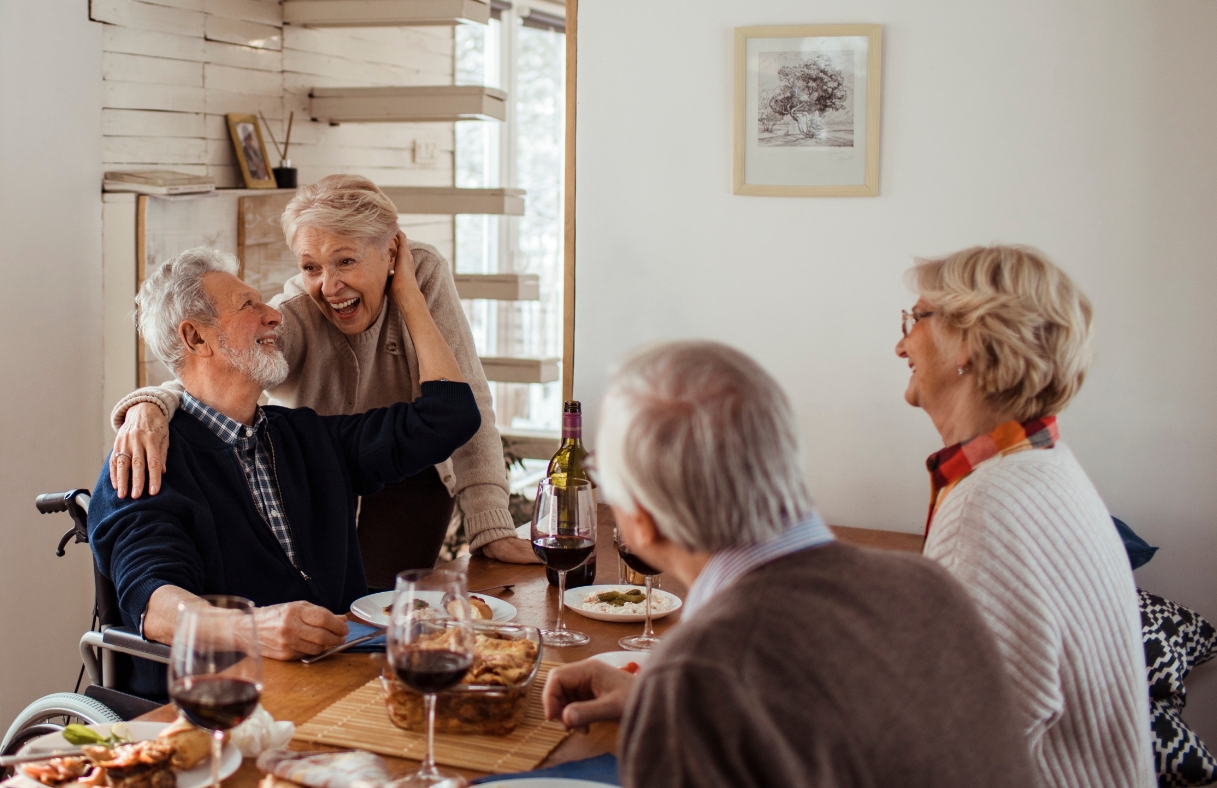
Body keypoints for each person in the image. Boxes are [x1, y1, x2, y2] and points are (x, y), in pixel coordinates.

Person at [543, 341, 1035, 788]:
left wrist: (673, 700)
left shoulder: (700, 679)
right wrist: (656, 694)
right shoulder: (932, 587)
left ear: (641, 521)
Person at [86, 247, 480, 700]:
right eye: (248, 306)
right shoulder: (145, 459)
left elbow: (448, 418)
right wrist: (253, 629)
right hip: (223, 707)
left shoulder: (307, 437)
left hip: (344, 688)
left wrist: (408, 294)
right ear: (196, 338)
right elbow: (153, 601)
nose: (274, 315)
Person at [107, 175, 538, 589]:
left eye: (346, 260)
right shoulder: (289, 313)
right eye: (310, 266)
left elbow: (465, 404)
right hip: (314, 468)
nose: (329, 286)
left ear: (391, 254)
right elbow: (221, 366)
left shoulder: (420, 274)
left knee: (382, 599)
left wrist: (491, 525)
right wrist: (152, 403)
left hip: (400, 454)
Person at [894, 245, 1151, 788]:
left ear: (968, 341)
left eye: (916, 319)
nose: (900, 345)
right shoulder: (1040, 466)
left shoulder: (989, 506)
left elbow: (947, 760)